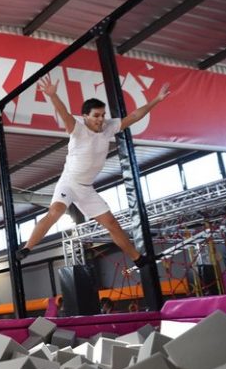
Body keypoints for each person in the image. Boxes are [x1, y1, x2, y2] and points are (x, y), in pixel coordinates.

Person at [16, 75, 170, 269]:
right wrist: (53, 96)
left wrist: (157, 100)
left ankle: (138, 259)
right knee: (56, 212)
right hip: (69, 182)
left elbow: (134, 116)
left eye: (103, 115)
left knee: (111, 223)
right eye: (96, 115)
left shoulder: (108, 128)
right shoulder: (78, 129)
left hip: (86, 188)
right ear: (85, 116)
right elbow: (64, 114)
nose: (101, 119)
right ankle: (27, 248)